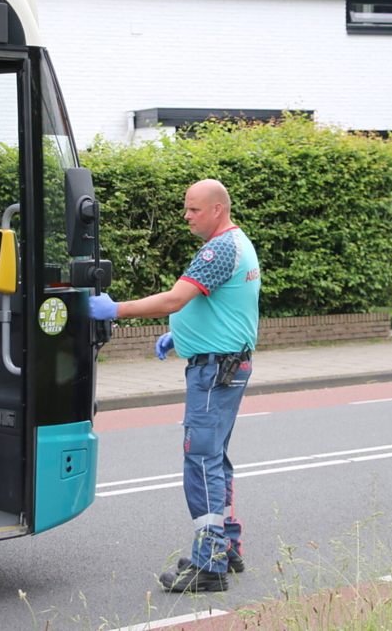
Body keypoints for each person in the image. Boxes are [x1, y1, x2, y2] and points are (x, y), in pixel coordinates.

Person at [89, 179, 261, 593]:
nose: (186, 216)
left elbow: (174, 299)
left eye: (194, 209)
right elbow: (222, 305)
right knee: (214, 458)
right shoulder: (239, 244)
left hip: (214, 371)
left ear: (218, 209)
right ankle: (227, 546)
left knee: (200, 461)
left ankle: (209, 565)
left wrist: (115, 309)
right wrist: (181, 337)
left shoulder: (219, 249)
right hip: (225, 364)